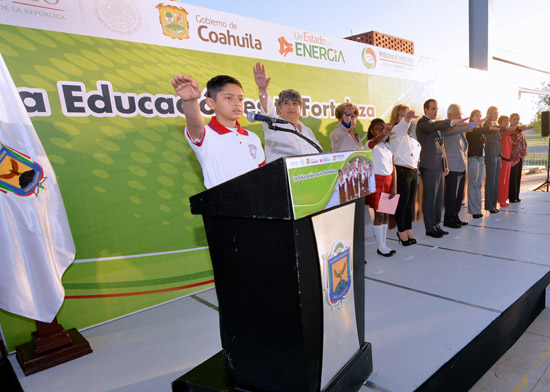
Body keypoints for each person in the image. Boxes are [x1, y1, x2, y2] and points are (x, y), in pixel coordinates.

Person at [172, 74, 265, 189]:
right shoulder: (206, 136)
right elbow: (195, 123)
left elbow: (262, 174)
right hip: (223, 204)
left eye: (240, 99)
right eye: (229, 98)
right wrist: (190, 100)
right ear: (211, 103)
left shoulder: (252, 137)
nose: (237, 103)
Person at [416, 99, 467, 238]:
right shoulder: (423, 123)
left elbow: (441, 147)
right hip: (429, 165)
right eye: (433, 108)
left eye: (437, 108)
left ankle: (437, 225)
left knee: (438, 198)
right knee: (431, 197)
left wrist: (445, 164)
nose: (435, 111)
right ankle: (430, 227)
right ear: (425, 109)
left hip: (438, 165)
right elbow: (434, 127)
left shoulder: (434, 125)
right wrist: (450, 122)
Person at [253, 62, 322, 162]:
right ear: (279, 108)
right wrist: (263, 90)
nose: (291, 107)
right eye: (286, 103)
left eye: (295, 104)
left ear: (300, 108)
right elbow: (268, 111)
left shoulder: (307, 130)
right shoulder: (274, 125)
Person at [388, 104, 420, 246]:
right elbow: (402, 126)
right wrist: (406, 120)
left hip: (412, 172)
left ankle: (408, 229)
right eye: (402, 115)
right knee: (402, 204)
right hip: (401, 171)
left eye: (408, 115)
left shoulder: (409, 134)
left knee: (409, 204)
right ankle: (401, 231)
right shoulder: (396, 131)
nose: (407, 118)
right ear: (396, 118)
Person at [364, 118, 397, 257]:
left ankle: (384, 244)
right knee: (379, 214)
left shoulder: (387, 146)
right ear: (372, 130)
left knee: (386, 214)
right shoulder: (371, 144)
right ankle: (381, 246)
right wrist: (383, 134)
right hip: (377, 181)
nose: (381, 131)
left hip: (389, 181)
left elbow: (393, 166)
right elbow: (375, 141)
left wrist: (394, 186)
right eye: (378, 129)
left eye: (383, 128)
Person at [443, 104, 477, 228]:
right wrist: (472, 125)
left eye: (461, 114)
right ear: (450, 115)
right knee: (452, 194)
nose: (461, 117)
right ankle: (448, 218)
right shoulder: (447, 126)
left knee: (458, 194)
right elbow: (457, 130)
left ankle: (455, 216)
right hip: (452, 166)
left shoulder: (459, 129)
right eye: (458, 114)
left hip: (462, 165)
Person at [466, 109, 494, 219]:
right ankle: (474, 210)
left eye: (480, 116)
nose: (479, 118)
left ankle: (478, 208)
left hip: (481, 158)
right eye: (477, 116)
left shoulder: (480, 130)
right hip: (473, 158)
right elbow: (475, 131)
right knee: (473, 184)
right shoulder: (470, 128)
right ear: (472, 118)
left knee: (478, 185)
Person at [509, 113, 529, 203]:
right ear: (510, 120)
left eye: (517, 119)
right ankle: (512, 196)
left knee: (518, 176)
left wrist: (524, 152)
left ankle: (517, 195)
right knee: (513, 176)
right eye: (514, 119)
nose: (516, 121)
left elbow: (524, 143)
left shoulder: (521, 132)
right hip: (513, 156)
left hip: (520, 156)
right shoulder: (510, 130)